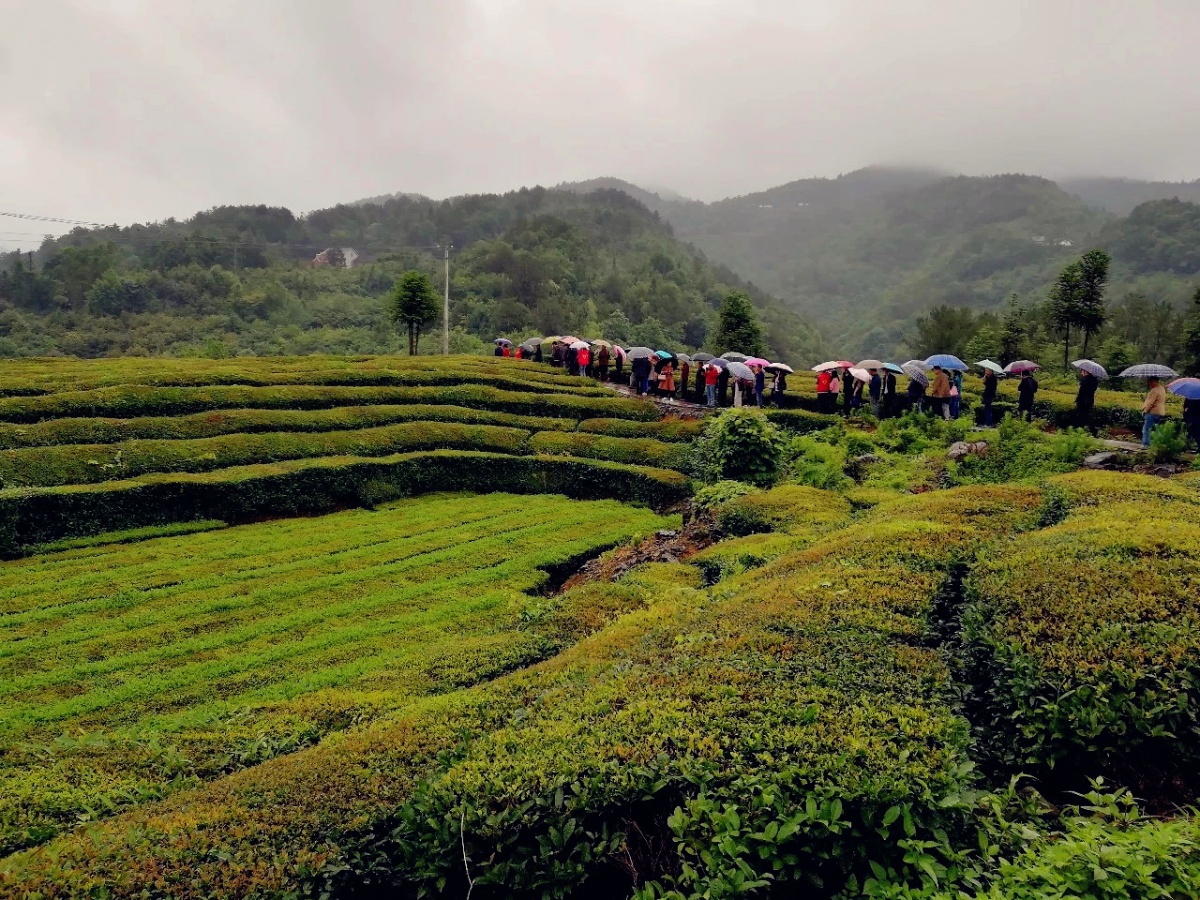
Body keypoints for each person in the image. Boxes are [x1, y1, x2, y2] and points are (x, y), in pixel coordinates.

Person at [1141, 377, 1167, 449]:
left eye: (1149, 382)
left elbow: (1151, 403)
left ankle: (1146, 445)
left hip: (1152, 412)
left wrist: (1145, 410)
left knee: (1146, 429)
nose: (1149, 384)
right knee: (1155, 429)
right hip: (1160, 412)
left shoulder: (1154, 390)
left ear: (1153, 382)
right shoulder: (1162, 389)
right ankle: (1155, 445)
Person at [1074, 370, 1098, 435]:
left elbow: (1081, 392)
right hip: (1090, 400)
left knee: (1081, 416)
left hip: (1083, 401)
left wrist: (1077, 400)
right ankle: (1092, 430)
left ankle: (1082, 430)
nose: (1081, 372)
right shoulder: (1095, 380)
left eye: (1083, 371)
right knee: (1087, 415)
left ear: (1086, 372)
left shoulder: (1085, 380)